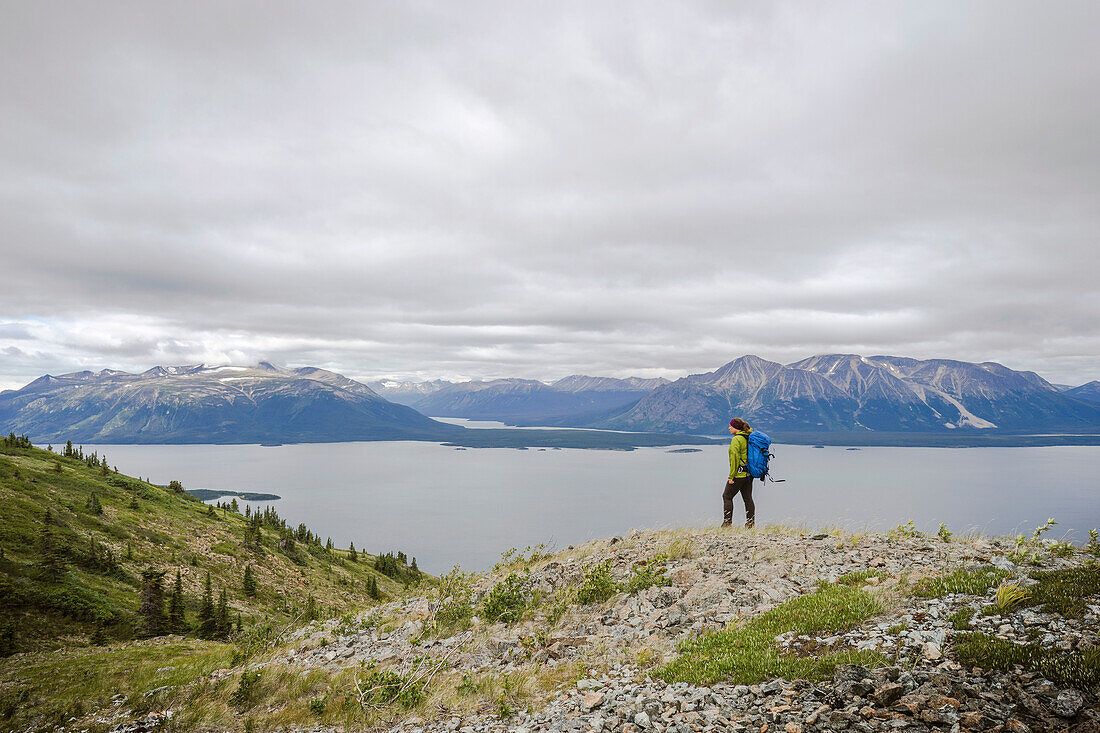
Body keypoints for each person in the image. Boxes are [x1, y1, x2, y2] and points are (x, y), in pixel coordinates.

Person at [723, 417, 755, 528]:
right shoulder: (748, 437)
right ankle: (750, 524)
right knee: (748, 498)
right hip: (749, 474)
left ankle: (727, 524)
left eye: (730, 426)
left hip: (739, 474)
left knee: (727, 496)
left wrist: (731, 476)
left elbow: (734, 458)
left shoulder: (736, 439)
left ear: (735, 427)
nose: (729, 427)